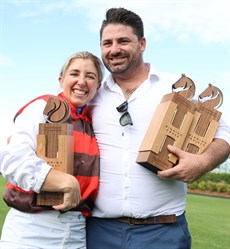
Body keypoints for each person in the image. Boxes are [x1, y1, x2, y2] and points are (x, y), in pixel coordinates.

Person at [86, 7, 230, 249]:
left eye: (123, 41)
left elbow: (224, 132)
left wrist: (203, 162)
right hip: (100, 232)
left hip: (163, 233)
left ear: (142, 44)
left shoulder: (178, 87)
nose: (114, 49)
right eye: (107, 43)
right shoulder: (91, 95)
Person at [0, 51, 104, 249]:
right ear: (61, 79)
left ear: (98, 86)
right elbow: (12, 157)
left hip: (76, 233)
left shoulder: (94, 123)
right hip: (29, 231)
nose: (82, 81)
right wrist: (62, 181)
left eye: (90, 76)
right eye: (74, 74)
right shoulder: (44, 107)